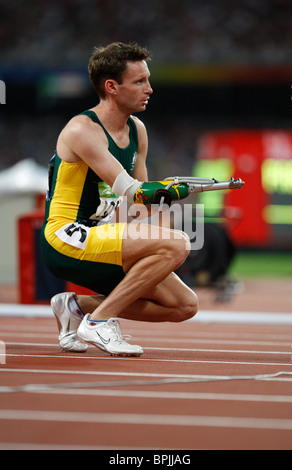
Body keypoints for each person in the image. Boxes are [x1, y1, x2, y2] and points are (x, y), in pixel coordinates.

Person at [41, 42, 199, 357]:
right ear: (112, 87)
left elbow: (141, 206)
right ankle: (98, 321)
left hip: (103, 238)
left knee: (184, 305)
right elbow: (133, 190)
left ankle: (75, 305)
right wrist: (179, 189)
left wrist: (161, 214)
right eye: (140, 81)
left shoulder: (138, 131)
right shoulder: (82, 129)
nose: (150, 89)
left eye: (148, 79)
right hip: (65, 238)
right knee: (178, 243)